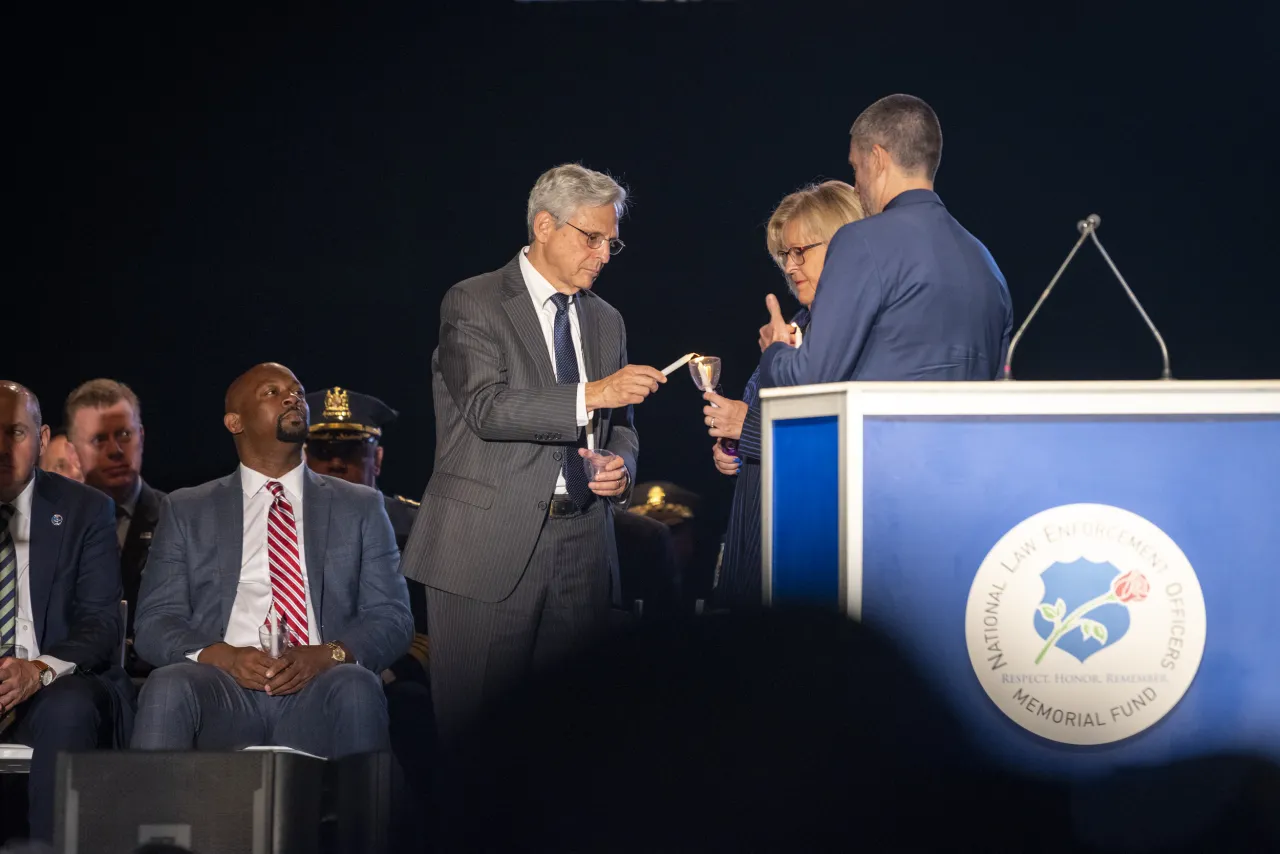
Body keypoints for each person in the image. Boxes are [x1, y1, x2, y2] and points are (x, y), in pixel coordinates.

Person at [400, 163, 666, 739]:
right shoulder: (474, 301)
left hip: (584, 547)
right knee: (479, 743)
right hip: (487, 548)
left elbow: (623, 425)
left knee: (569, 747)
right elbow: (488, 409)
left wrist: (620, 468)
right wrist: (594, 392)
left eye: (611, 241)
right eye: (590, 237)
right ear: (544, 225)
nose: (603, 254)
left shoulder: (605, 319)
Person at [130, 363, 413, 758]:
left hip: (322, 684)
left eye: (296, 390)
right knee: (168, 684)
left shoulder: (360, 506)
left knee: (356, 684)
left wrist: (326, 655)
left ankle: (364, 818)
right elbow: (154, 623)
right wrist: (226, 658)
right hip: (222, 687)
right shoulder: (188, 508)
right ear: (234, 421)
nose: (292, 397)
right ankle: (150, 820)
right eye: (272, 392)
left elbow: (393, 617)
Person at [757, 94, 1012, 388]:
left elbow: (810, 377)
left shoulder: (860, 241)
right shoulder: (986, 265)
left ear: (877, 159)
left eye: (855, 168)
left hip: (879, 435)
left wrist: (774, 350)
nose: (856, 186)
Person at [705, 182, 865, 610]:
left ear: (846, 243)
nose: (791, 266)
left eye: (802, 251)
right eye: (784, 255)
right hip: (756, 535)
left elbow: (848, 445)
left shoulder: (860, 333)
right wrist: (735, 448)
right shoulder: (797, 323)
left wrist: (747, 427)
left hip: (809, 555)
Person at [0, 382, 133, 842]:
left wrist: (36, 670)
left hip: (53, 683)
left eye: (14, 432)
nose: (1, 447)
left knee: (70, 708)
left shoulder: (86, 510)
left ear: (41, 439)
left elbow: (101, 622)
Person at [64, 379, 166, 672]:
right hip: (73, 678)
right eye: (99, 439)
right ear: (72, 454)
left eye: (124, 434)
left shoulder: (178, 518)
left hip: (153, 678)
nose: (116, 450)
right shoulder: (54, 527)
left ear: (142, 437)